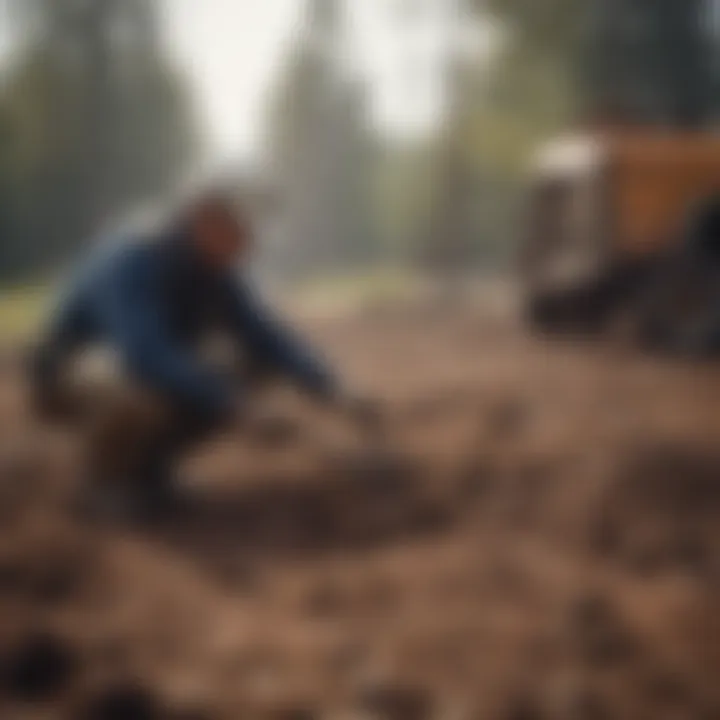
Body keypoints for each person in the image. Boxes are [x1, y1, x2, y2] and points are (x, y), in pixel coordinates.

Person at [30, 177, 373, 522]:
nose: (250, 240)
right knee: (143, 388)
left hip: (126, 368)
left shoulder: (216, 268)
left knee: (245, 367)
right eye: (243, 226)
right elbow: (145, 352)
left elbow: (268, 337)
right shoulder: (134, 256)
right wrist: (234, 403)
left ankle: (150, 473)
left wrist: (333, 388)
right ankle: (101, 483)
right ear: (206, 219)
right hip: (69, 374)